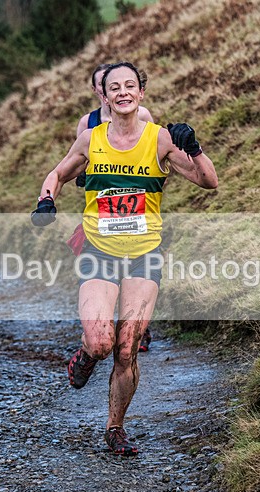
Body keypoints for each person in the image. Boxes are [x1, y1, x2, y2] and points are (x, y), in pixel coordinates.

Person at [31, 62, 218, 456]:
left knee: (127, 347)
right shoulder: (90, 139)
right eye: (114, 87)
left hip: (143, 253)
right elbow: (58, 173)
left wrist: (194, 147)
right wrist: (46, 199)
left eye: (129, 86)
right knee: (101, 342)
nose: (122, 92)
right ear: (105, 95)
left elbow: (208, 181)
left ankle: (115, 427)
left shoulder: (161, 139)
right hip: (98, 251)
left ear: (141, 93)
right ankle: (85, 355)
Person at [75, 63, 155, 352]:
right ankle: (98, 328)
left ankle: (137, 330)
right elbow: (76, 160)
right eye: (104, 84)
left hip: (139, 212)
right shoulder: (88, 123)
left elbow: (151, 153)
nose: (116, 90)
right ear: (99, 90)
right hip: (102, 210)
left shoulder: (142, 116)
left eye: (127, 85)